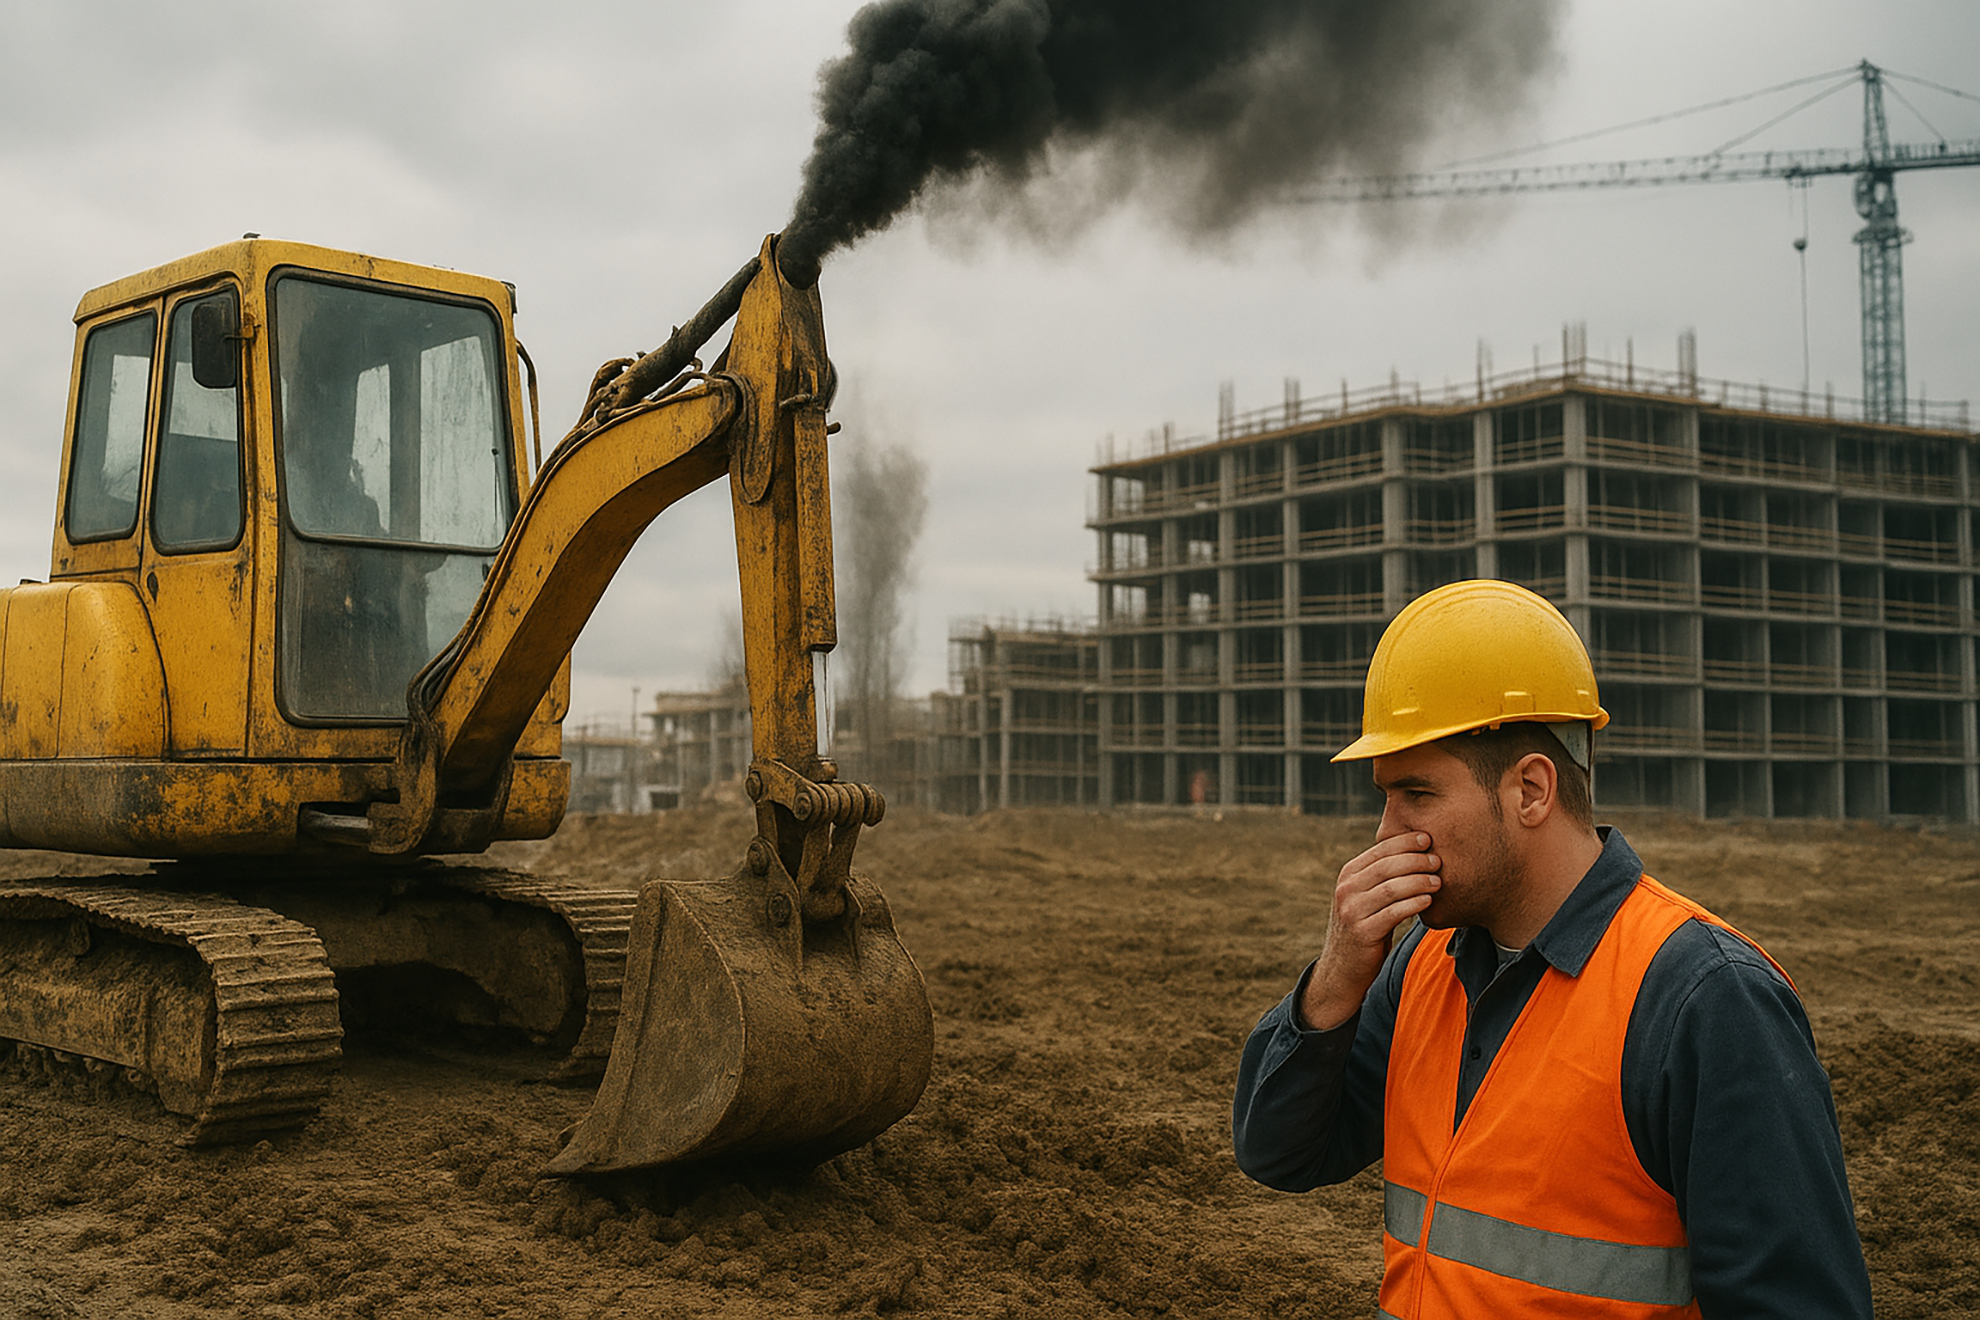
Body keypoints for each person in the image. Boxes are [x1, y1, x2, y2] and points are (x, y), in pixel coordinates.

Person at [1232, 579, 1871, 1318]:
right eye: (1384, 797)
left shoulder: (1706, 999)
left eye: (1416, 793)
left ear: (1530, 791)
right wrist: (1336, 980)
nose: (1386, 832)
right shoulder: (1422, 965)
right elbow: (1279, 1154)